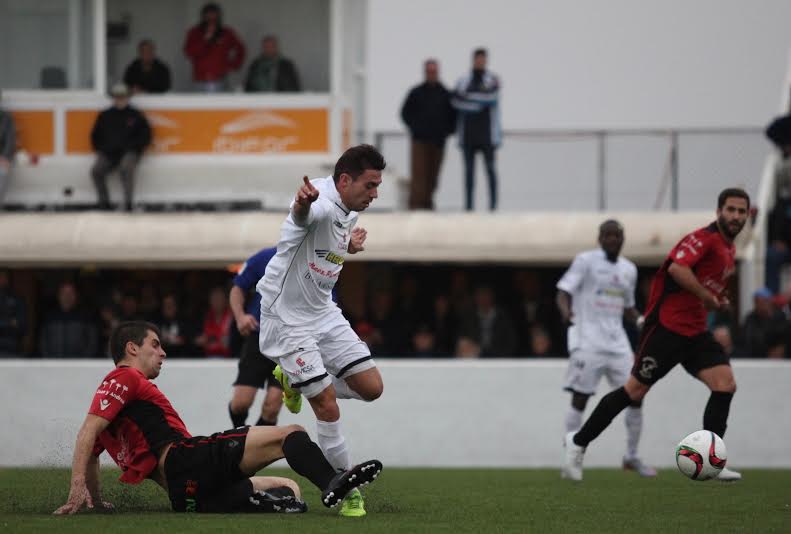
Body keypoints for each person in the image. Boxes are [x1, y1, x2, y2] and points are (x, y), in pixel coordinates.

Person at [53, 321, 382, 515]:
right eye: (155, 344)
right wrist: (76, 489)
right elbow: (87, 432)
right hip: (186, 461)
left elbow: (91, 446)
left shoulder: (115, 407)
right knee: (291, 433)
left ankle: (269, 501)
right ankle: (332, 483)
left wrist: (95, 500)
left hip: (184, 496)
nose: (163, 352)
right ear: (132, 348)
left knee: (291, 489)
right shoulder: (124, 377)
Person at [562, 188, 751, 482]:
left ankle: (710, 461)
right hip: (667, 328)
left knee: (725, 384)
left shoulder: (729, 250)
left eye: (741, 211)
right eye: (731, 210)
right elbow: (677, 269)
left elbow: (705, 286)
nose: (736, 216)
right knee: (634, 391)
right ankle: (578, 442)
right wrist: (707, 297)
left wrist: (717, 300)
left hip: (695, 332)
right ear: (719, 212)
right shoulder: (703, 239)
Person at [256, 144, 386, 517]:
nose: (375, 194)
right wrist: (301, 204)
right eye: (370, 185)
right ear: (344, 180)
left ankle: (294, 380)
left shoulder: (348, 209)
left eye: (377, 186)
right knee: (326, 403)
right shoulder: (319, 203)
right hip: (287, 318)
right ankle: (349, 489)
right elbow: (304, 217)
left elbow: (326, 243)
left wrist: (349, 247)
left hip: (323, 312)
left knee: (372, 388)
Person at [555, 220, 655, 477]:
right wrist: (566, 313)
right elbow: (563, 291)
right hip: (588, 341)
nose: (612, 239)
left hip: (617, 343)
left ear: (623, 239)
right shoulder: (585, 261)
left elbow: (628, 307)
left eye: (617, 235)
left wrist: (641, 321)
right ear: (599, 238)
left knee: (636, 395)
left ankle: (631, 456)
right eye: (607, 235)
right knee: (580, 398)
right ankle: (571, 459)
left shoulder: (628, 269)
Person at [228, 246, 284, 428]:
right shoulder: (266, 257)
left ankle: (255, 442)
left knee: (272, 407)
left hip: (291, 344)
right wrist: (240, 317)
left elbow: (327, 303)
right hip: (259, 338)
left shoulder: (314, 260)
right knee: (241, 403)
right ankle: (241, 435)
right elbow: (237, 288)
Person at [400, 59, 456, 209]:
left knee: (433, 176)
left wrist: (447, 131)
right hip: (419, 141)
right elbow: (405, 113)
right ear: (425, 72)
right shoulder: (415, 93)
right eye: (429, 71)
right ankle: (415, 207)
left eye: (434, 71)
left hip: (438, 142)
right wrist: (415, 128)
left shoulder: (445, 94)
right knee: (419, 176)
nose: (432, 74)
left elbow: (454, 117)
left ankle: (428, 205)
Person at [452, 48, 501, 211]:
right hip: (468, 135)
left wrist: (469, 99)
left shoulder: (492, 79)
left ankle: (493, 207)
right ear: (473, 60)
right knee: (469, 173)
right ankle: (469, 207)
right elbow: (456, 101)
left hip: (487, 135)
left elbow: (492, 98)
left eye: (482, 59)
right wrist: (477, 104)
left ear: (486, 61)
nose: (480, 62)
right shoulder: (463, 80)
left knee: (490, 170)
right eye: (477, 59)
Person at [90, 83, 151, 211]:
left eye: (123, 97)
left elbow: (146, 136)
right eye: (117, 97)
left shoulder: (136, 115)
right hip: (109, 153)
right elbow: (95, 135)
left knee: (126, 168)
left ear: (128, 98)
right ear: (113, 98)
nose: (120, 100)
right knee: (96, 171)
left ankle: (128, 204)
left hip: (129, 152)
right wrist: (102, 149)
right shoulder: (105, 115)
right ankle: (104, 203)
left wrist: (135, 148)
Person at [183, 3, 246, 92]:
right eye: (208, 15)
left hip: (219, 79)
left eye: (214, 15)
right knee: (199, 101)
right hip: (199, 80)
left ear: (219, 16)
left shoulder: (226, 33)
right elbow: (189, 52)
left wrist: (233, 65)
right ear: (203, 16)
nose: (211, 18)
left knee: (219, 101)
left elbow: (241, 49)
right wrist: (205, 39)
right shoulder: (194, 32)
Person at [39, 282, 98, 358]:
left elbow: (92, 343)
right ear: (58, 296)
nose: (67, 296)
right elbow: (43, 342)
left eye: (71, 293)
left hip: (79, 363)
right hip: (53, 362)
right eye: (64, 293)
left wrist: (83, 361)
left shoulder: (86, 317)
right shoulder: (49, 318)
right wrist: (49, 360)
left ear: (76, 296)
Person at [458, 285, 516, 356]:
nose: (483, 298)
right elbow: (462, 341)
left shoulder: (504, 317)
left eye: (486, 294)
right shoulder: (468, 318)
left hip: (499, 359)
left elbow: (511, 343)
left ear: (492, 296)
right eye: (480, 295)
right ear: (475, 298)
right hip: (474, 358)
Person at [196, 286, 233, 357]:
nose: (216, 302)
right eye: (214, 299)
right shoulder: (204, 317)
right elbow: (196, 339)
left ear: (225, 300)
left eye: (219, 299)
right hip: (205, 358)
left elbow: (236, 341)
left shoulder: (232, 318)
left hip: (228, 359)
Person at [0, 270, 26, 356]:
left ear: (7, 279)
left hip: (11, 348)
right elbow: (14, 323)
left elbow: (22, 324)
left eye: (3, 276)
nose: (1, 279)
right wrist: (9, 322)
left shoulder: (17, 299)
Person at [0, 90, 16, 208]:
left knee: (2, 172)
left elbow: (10, 139)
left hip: (1, 157)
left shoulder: (5, 118)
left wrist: (5, 157)